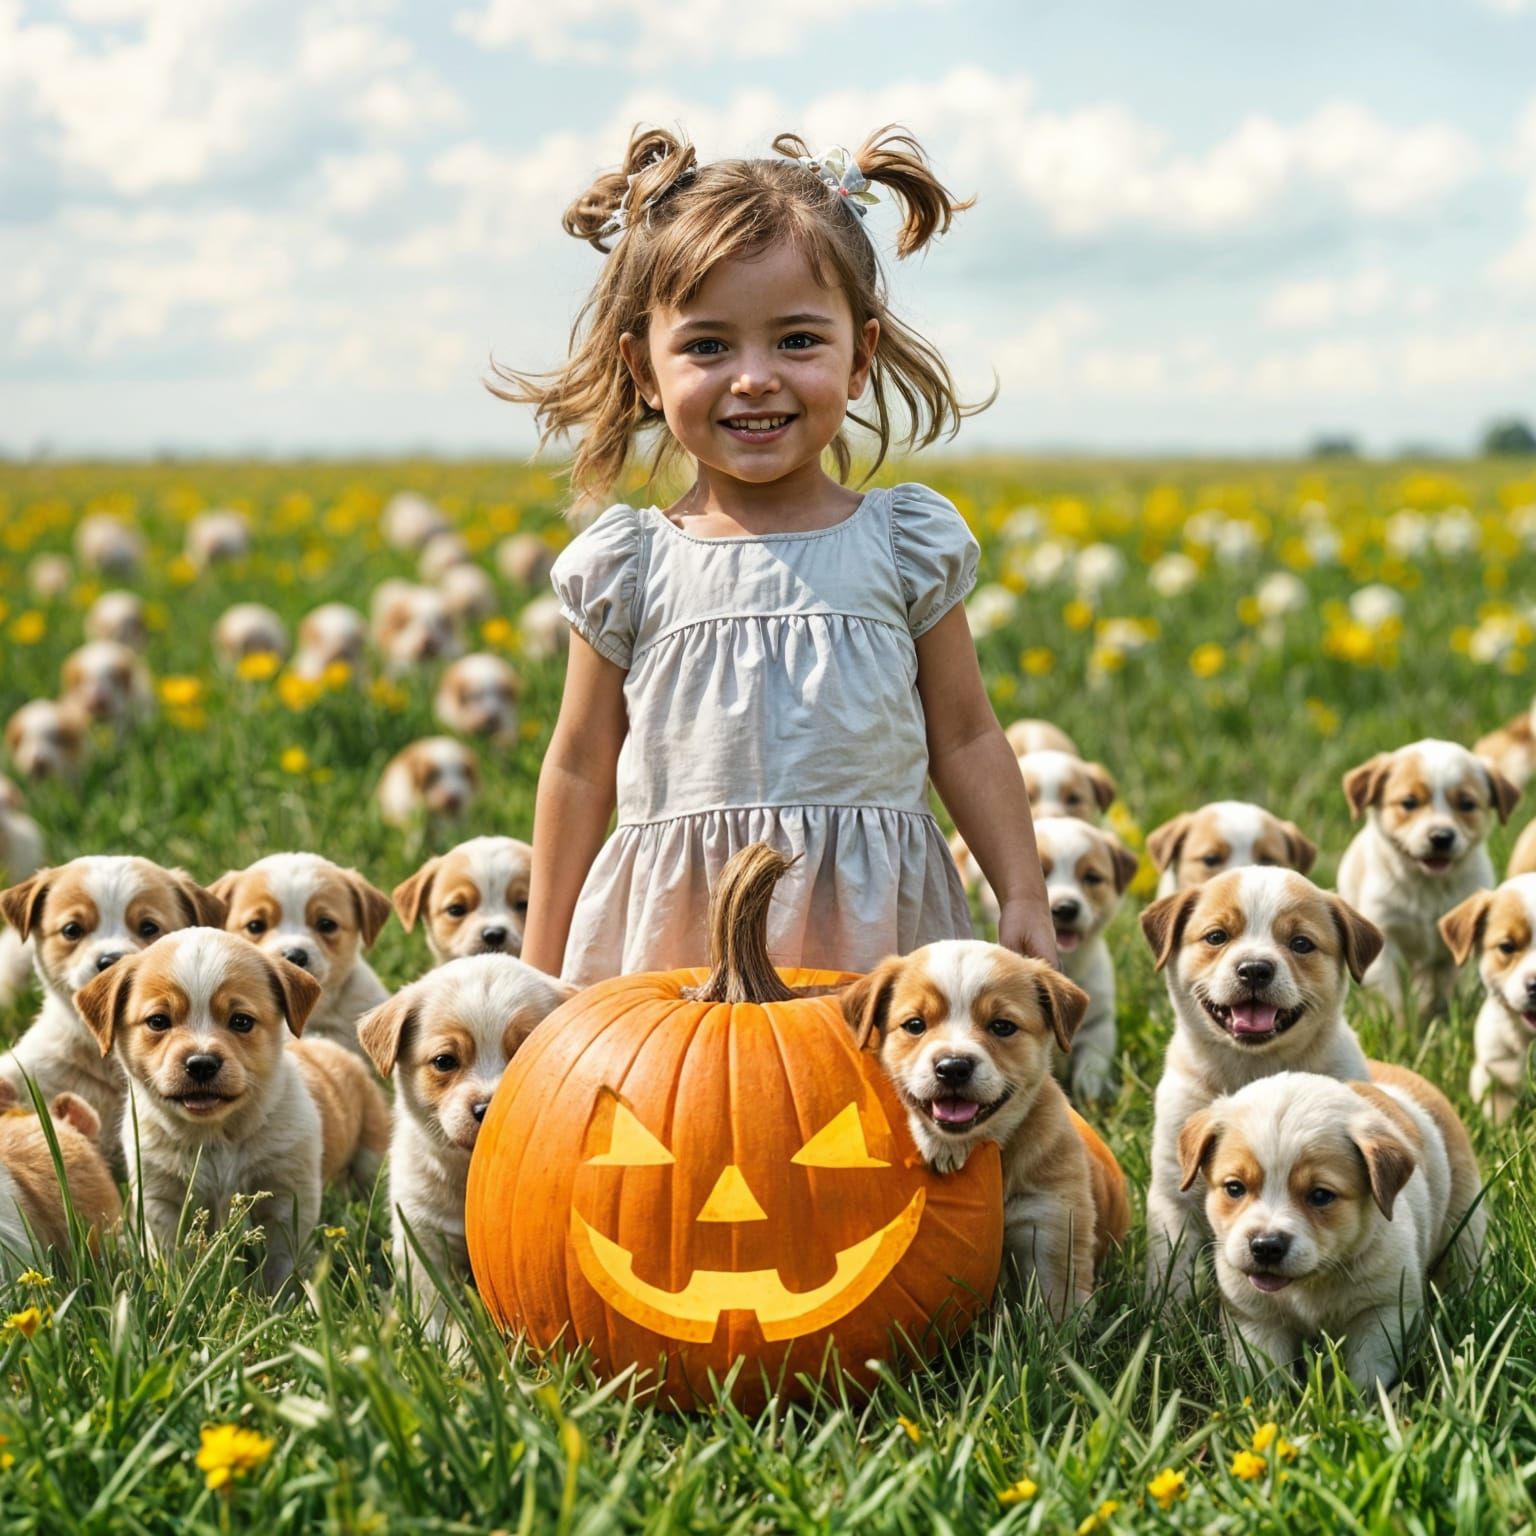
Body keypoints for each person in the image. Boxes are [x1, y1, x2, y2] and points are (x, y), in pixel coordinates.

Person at [505, 123, 1054, 985]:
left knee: (871, 1110)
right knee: (686, 1110)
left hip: (874, 934)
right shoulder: (633, 565)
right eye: (708, 346)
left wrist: (1020, 889)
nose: (754, 377)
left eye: (796, 341)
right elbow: (578, 765)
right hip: (682, 936)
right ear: (644, 370)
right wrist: (538, 962)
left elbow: (967, 733)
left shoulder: (904, 546)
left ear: (860, 354)